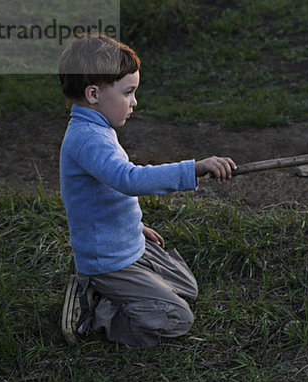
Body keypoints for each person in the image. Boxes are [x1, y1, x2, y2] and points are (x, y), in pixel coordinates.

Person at [58, 34, 236, 347]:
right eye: (128, 92)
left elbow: (103, 197)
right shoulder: (87, 139)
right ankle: (96, 311)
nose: (135, 102)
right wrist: (193, 168)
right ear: (94, 93)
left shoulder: (99, 128)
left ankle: (113, 292)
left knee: (187, 287)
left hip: (126, 244)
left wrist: (136, 228)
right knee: (177, 318)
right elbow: (128, 179)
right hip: (108, 260)